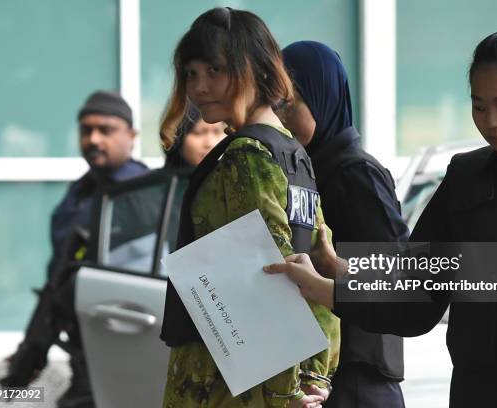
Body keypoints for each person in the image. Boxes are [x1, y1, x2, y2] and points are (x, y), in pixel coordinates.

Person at [266, 29, 497, 407]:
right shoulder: (465, 177)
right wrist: (335, 276)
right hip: (478, 394)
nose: (491, 122)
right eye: (479, 106)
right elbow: (416, 295)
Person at [158, 7, 340, 408]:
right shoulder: (292, 150)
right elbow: (317, 264)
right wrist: (315, 377)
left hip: (227, 378)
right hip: (266, 375)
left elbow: (272, 277)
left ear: (255, 69)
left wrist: (282, 393)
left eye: (215, 71)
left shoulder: (247, 154)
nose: (200, 87)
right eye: (191, 73)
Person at [0, 91, 148, 408]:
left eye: (105, 130)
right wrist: (33, 348)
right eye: (86, 130)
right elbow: (59, 276)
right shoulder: (80, 192)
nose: (94, 139)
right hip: (83, 343)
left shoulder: (144, 194)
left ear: (132, 136)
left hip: (128, 343)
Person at [280, 41, 408, 408]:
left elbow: (400, 275)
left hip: (359, 376)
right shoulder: (306, 170)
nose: (282, 117)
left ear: (322, 98)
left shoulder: (356, 173)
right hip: (328, 376)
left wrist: (333, 266)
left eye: (290, 104)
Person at [164, 103, 226, 169]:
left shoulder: (231, 176)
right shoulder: (161, 179)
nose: (210, 143)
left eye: (217, 131)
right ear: (177, 137)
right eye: (199, 133)